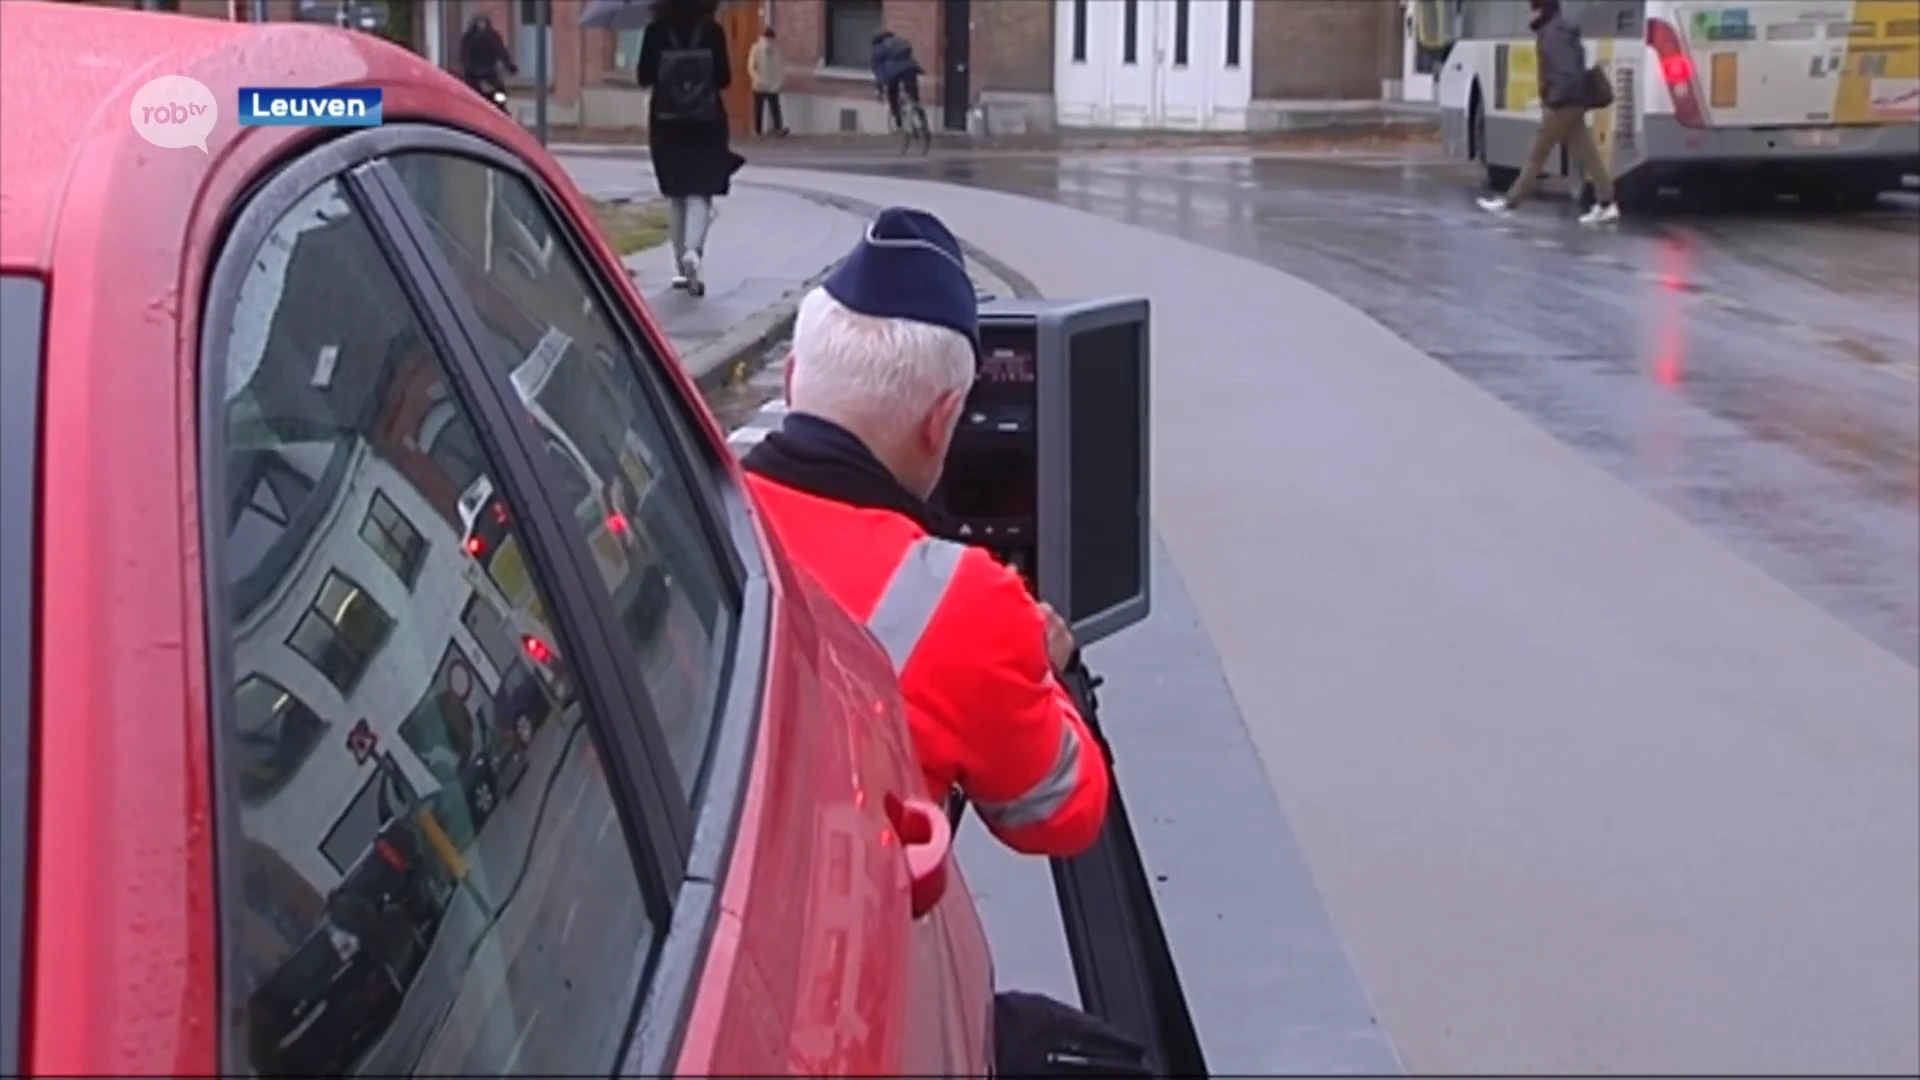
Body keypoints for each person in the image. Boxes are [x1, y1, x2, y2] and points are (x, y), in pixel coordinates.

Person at [739, 208, 1110, 858]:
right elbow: (1063, 815)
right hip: (861, 935)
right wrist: (1051, 671)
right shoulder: (966, 603)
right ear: (942, 421)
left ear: (794, 377)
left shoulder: (688, 510)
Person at [636, 0, 745, 295]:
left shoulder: (656, 31)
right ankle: (693, 253)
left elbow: (643, 76)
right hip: (706, 119)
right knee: (700, 188)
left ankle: (680, 268)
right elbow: (724, 78)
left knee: (675, 193)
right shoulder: (712, 31)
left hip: (666, 122)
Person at [1477, 0, 1620, 225]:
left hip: (1561, 106)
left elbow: (1563, 73)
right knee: (1589, 155)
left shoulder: (1552, 35)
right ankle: (1607, 203)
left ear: (1542, 11)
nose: (1529, 15)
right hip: (1572, 103)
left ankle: (1510, 202)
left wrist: (1553, 101)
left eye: (1533, 9)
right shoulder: (1562, 31)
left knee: (1536, 155)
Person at [869, 29, 925, 132]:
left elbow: (878, 71)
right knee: (913, 94)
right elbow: (910, 58)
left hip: (893, 73)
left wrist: (880, 90)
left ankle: (898, 122)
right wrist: (919, 69)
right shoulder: (899, 41)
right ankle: (920, 114)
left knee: (893, 95)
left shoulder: (878, 49)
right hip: (910, 69)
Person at [458, 14, 516, 101]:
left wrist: (509, 66)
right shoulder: (469, 37)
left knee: (499, 93)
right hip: (474, 72)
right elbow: (464, 54)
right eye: (480, 23)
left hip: (487, 71)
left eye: (483, 23)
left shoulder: (492, 36)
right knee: (472, 93)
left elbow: (501, 51)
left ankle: (499, 106)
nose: (482, 26)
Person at [747, 26, 790, 137]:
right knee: (758, 108)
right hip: (759, 85)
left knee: (775, 107)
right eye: (768, 39)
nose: (770, 42)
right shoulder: (756, 48)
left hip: (772, 85)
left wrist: (779, 81)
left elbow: (779, 66)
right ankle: (758, 131)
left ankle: (778, 128)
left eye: (771, 40)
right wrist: (757, 79)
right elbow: (751, 67)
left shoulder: (776, 50)